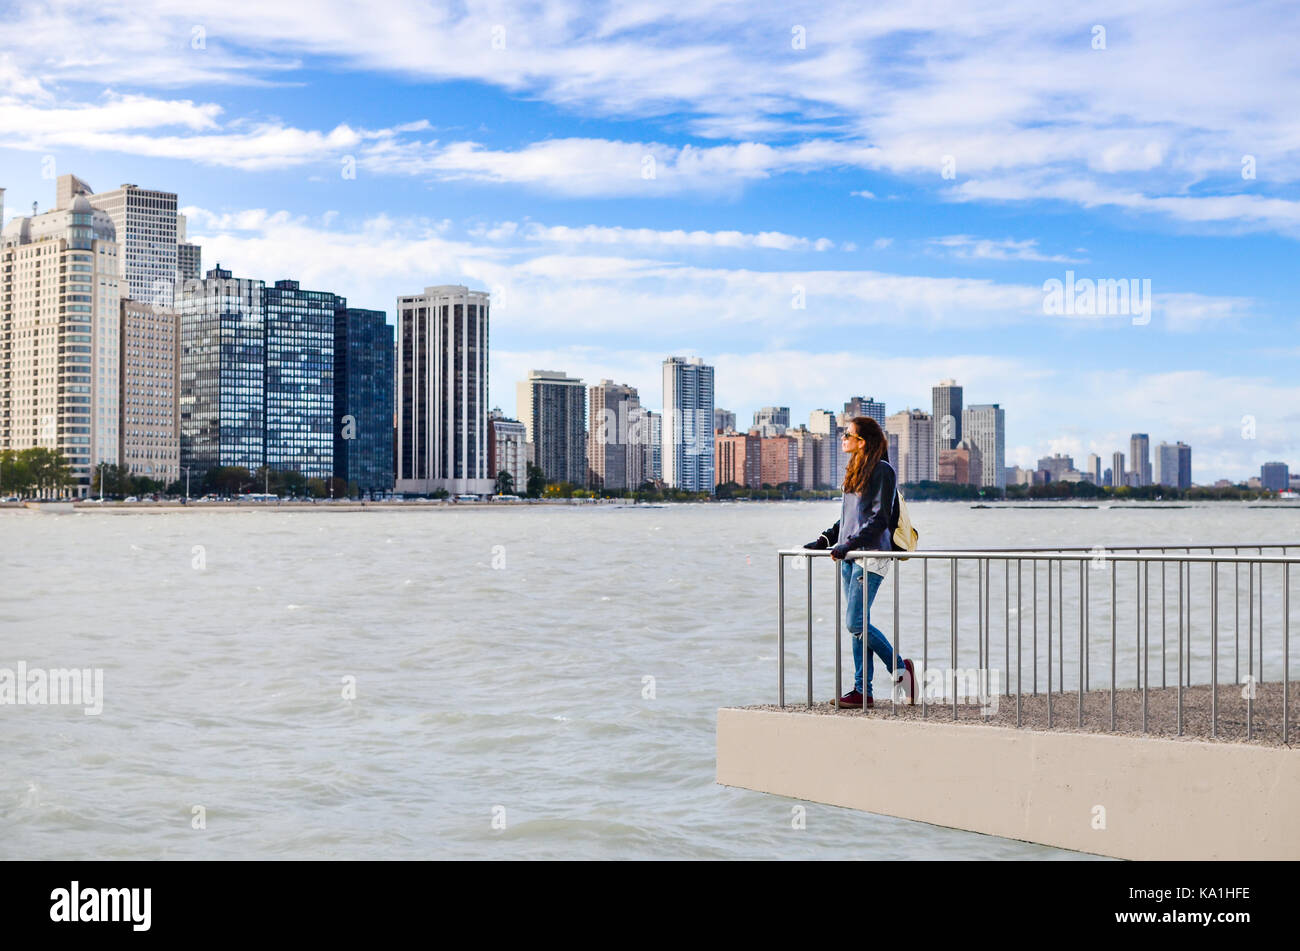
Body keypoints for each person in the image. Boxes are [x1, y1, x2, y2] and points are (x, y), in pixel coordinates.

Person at [803, 416, 915, 710]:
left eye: (847, 434)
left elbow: (879, 520)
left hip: (872, 556)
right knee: (858, 626)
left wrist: (847, 545)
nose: (843, 438)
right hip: (849, 556)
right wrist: (826, 540)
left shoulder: (883, 471)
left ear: (862, 441)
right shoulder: (855, 470)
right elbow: (849, 519)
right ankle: (861, 690)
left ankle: (902, 671)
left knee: (855, 622)